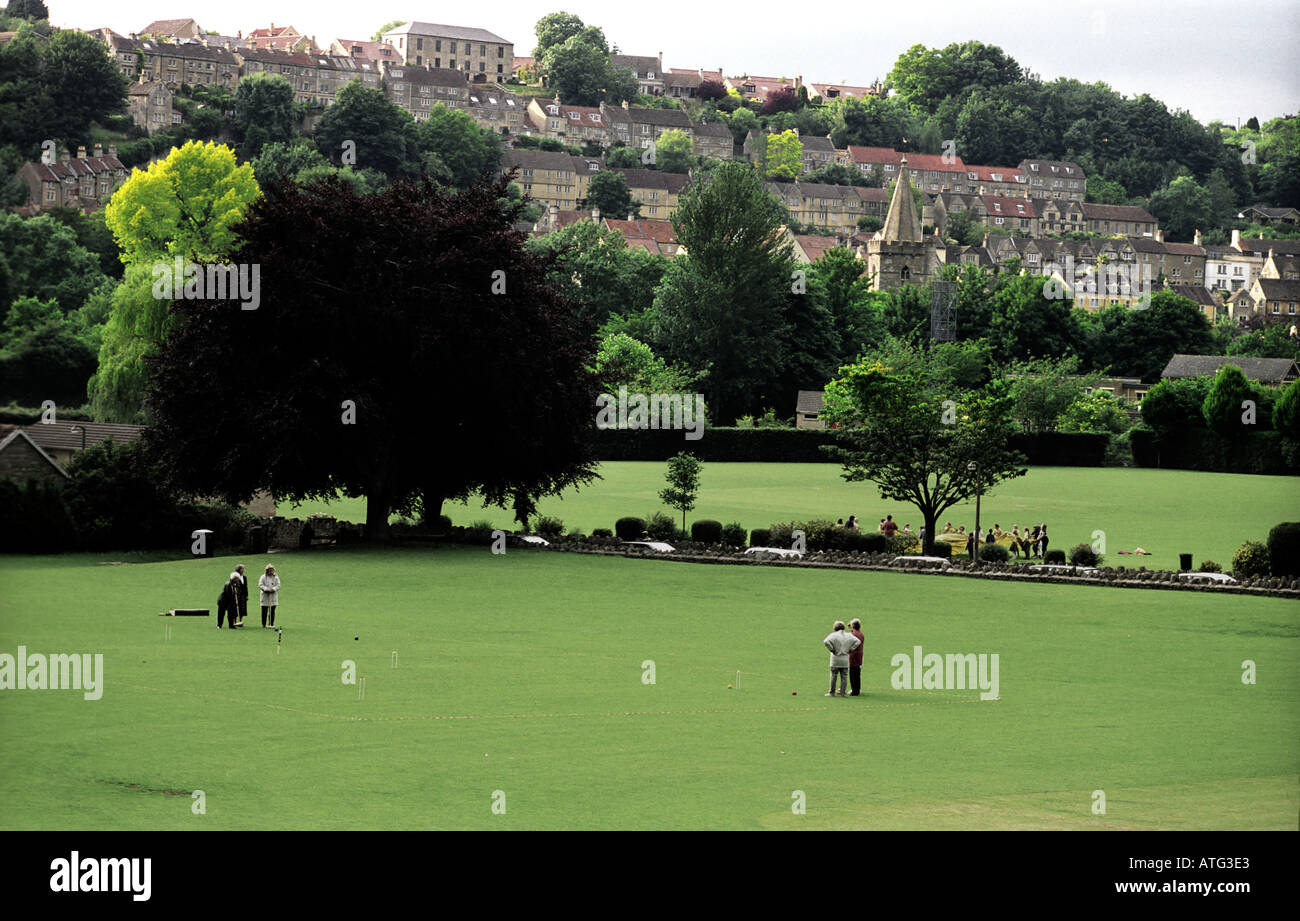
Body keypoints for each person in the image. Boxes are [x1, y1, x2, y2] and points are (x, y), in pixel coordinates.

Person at [823, 621, 860, 698]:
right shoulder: (849, 635)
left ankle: (831, 692)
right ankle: (843, 693)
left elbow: (826, 641)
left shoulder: (833, 635)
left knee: (833, 675)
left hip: (835, 659)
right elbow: (858, 641)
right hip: (845, 659)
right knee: (844, 677)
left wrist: (832, 650)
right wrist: (851, 649)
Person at [848, 618, 865, 697]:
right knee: (857, 673)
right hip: (859, 655)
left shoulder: (852, 634)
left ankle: (854, 691)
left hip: (853, 655)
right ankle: (857, 689)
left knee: (852, 673)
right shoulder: (861, 634)